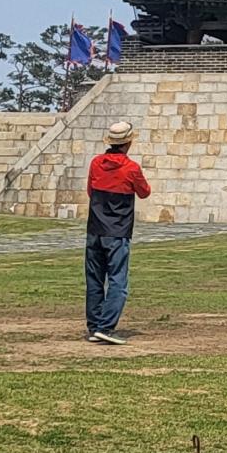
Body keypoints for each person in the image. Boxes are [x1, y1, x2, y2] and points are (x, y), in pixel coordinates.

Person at [85, 121, 151, 345]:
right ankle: (106, 327)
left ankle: (94, 326)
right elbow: (144, 192)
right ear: (128, 142)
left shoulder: (96, 163)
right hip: (118, 230)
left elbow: (90, 191)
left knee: (94, 280)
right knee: (118, 282)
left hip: (95, 228)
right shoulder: (131, 168)